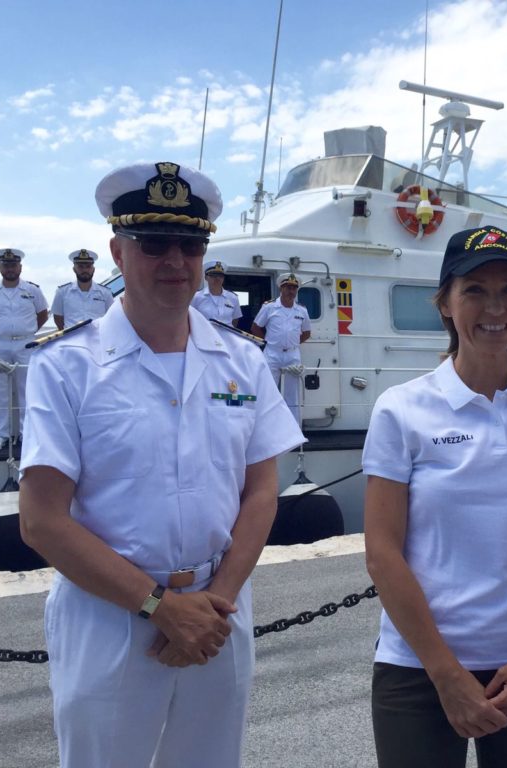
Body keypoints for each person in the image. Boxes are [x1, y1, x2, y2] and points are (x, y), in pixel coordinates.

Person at [18, 161, 303, 768]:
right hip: (110, 617)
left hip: (219, 613)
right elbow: (42, 520)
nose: (175, 260)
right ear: (118, 251)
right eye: (154, 244)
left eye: (191, 244)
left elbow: (261, 493)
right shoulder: (67, 367)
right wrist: (160, 608)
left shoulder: (243, 362)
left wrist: (216, 601)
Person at [363, 226, 507, 768]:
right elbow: (382, 552)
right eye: (474, 290)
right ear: (444, 302)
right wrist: (447, 675)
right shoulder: (402, 410)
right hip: (418, 667)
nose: (495, 307)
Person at [0, 247, 48, 450]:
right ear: (0, 267)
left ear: (20, 267)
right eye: (6, 265)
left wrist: (28, 331)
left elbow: (42, 314)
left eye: (13, 265)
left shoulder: (32, 290)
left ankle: (27, 433)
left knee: (27, 390)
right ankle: (0, 434)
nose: (10, 268)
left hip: (25, 343)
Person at [251, 273, 311, 422]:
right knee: (267, 390)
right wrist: (268, 342)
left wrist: (292, 344)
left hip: (292, 355)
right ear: (281, 288)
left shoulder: (302, 310)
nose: (291, 291)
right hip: (272, 353)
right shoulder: (269, 307)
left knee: (292, 394)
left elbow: (307, 332)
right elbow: (256, 327)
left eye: (294, 288)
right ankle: (266, 426)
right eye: (288, 287)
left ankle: (293, 430)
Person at [50, 249, 114, 329]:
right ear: (74, 269)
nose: (85, 270)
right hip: (72, 339)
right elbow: (58, 318)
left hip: (97, 338)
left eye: (88, 266)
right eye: (80, 267)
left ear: (93, 269)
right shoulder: (62, 292)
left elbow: (111, 317)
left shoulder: (105, 293)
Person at [192, 259, 243, 326]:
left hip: (226, 336)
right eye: (213, 275)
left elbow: (235, 320)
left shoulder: (233, 298)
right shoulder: (196, 297)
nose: (217, 278)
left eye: (220, 276)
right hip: (205, 335)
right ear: (206, 277)